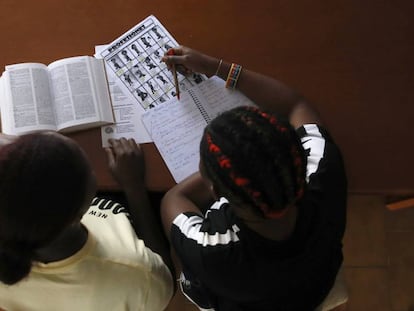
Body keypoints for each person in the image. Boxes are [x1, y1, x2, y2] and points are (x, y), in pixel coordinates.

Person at [161, 46, 348, 311]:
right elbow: (297, 105)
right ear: (296, 153)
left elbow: (174, 197)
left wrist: (226, 170)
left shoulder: (211, 247)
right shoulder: (323, 171)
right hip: (314, 285)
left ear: (215, 191)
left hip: (235, 297)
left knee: (182, 262)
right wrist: (218, 67)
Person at [0, 133, 173, 310]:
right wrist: (134, 186)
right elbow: (167, 280)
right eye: (90, 169)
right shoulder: (139, 272)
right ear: (81, 211)